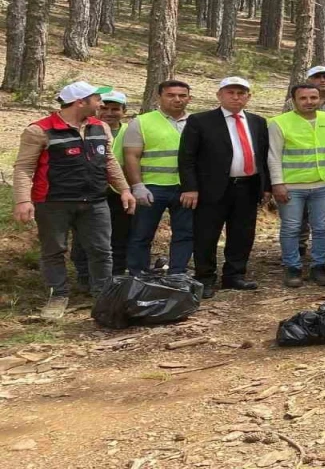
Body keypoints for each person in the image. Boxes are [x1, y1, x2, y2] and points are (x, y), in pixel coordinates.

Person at [12, 82, 136, 319]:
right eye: (97, 99)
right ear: (81, 102)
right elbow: (24, 167)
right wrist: (22, 200)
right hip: (52, 202)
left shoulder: (100, 127)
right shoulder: (39, 130)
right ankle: (57, 296)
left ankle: (103, 295)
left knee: (101, 250)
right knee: (54, 251)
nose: (101, 104)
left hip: (95, 201)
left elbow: (109, 161)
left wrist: (125, 190)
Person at [178, 77, 270, 299]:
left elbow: (264, 156)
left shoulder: (258, 122)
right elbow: (186, 157)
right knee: (206, 234)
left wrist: (265, 187)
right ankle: (205, 278)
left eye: (241, 93)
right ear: (219, 95)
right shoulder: (200, 121)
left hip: (247, 187)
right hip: (212, 188)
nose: (236, 97)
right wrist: (190, 187)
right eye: (231, 93)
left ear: (248, 97)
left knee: (242, 233)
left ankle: (234, 276)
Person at [269, 84, 325, 288]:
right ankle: (292, 267)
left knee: (322, 228)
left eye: (313, 97)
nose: (309, 102)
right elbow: (273, 156)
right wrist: (277, 183)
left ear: (320, 99)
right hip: (292, 184)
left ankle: (318, 266)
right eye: (303, 98)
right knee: (291, 228)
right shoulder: (279, 123)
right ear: (293, 100)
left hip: (324, 183)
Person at [122, 80, 195, 276]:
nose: (177, 99)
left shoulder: (196, 122)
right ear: (159, 97)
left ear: (189, 98)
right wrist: (137, 185)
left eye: (182, 95)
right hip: (152, 187)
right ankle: (138, 273)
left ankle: (178, 273)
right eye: (171, 95)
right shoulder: (142, 122)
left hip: (186, 188)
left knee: (185, 233)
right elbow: (131, 155)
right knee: (141, 234)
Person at [74, 90, 132, 282]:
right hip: (88, 191)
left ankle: (115, 275)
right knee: (83, 236)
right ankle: (84, 276)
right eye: (105, 107)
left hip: (119, 192)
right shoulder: (85, 128)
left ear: (124, 111)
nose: (109, 112)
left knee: (119, 234)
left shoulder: (130, 131)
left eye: (115, 109)